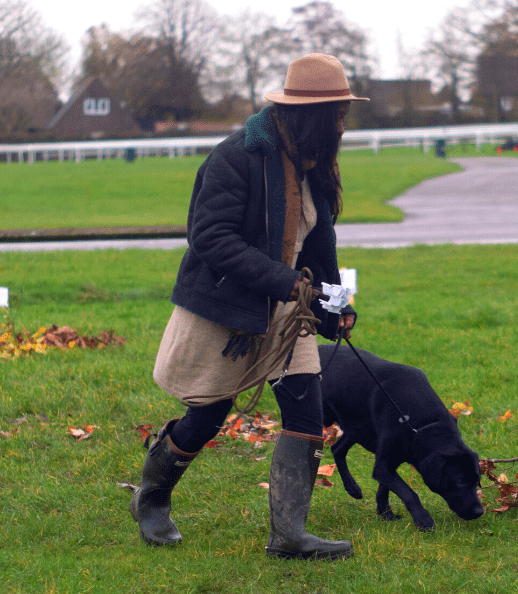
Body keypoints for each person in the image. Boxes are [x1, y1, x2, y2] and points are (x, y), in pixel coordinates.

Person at [131, 54, 366, 560]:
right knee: (208, 416)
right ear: (309, 116)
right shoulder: (236, 155)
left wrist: (337, 304)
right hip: (226, 307)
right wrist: (285, 281)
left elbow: (321, 249)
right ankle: (152, 498)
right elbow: (209, 237)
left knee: (307, 406)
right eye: (337, 116)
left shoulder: (315, 166)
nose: (342, 127)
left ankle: (288, 535)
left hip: (286, 310)